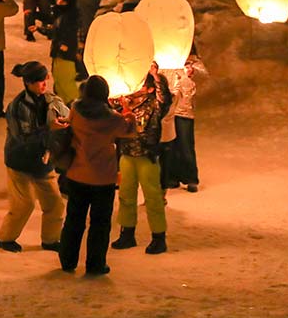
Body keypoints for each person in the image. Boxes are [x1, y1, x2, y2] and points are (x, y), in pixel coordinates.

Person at [58, 75, 133, 276]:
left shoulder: (76, 109)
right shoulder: (112, 119)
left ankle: (67, 260)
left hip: (77, 174)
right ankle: (95, 264)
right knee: (100, 224)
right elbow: (130, 131)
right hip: (103, 178)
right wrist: (128, 112)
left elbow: (68, 124)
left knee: (74, 219)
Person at [0, 61, 66, 253]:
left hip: (43, 161)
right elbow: (22, 137)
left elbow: (67, 117)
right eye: (38, 81)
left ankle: (51, 240)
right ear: (27, 83)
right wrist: (49, 130)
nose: (43, 84)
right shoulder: (17, 106)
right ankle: (5, 238)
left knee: (55, 204)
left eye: (44, 80)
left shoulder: (53, 100)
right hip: (20, 161)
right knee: (24, 204)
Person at [111, 68, 172, 255]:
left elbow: (166, 97)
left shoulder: (156, 104)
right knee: (126, 195)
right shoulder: (124, 102)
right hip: (127, 154)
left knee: (153, 197)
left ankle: (159, 237)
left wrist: (155, 75)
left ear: (150, 89)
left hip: (147, 155)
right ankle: (127, 233)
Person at [162, 52, 206, 193]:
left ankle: (191, 178)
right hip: (166, 107)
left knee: (185, 143)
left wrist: (190, 70)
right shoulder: (160, 50)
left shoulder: (189, 54)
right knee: (169, 143)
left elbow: (202, 72)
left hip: (183, 108)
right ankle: (171, 177)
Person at [44, 0, 82, 105]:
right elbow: (55, 32)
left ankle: (77, 110)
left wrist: (63, 46)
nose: (58, 0)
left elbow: (69, 34)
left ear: (66, 1)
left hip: (65, 55)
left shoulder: (69, 17)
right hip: (58, 54)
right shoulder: (60, 14)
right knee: (59, 83)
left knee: (66, 84)